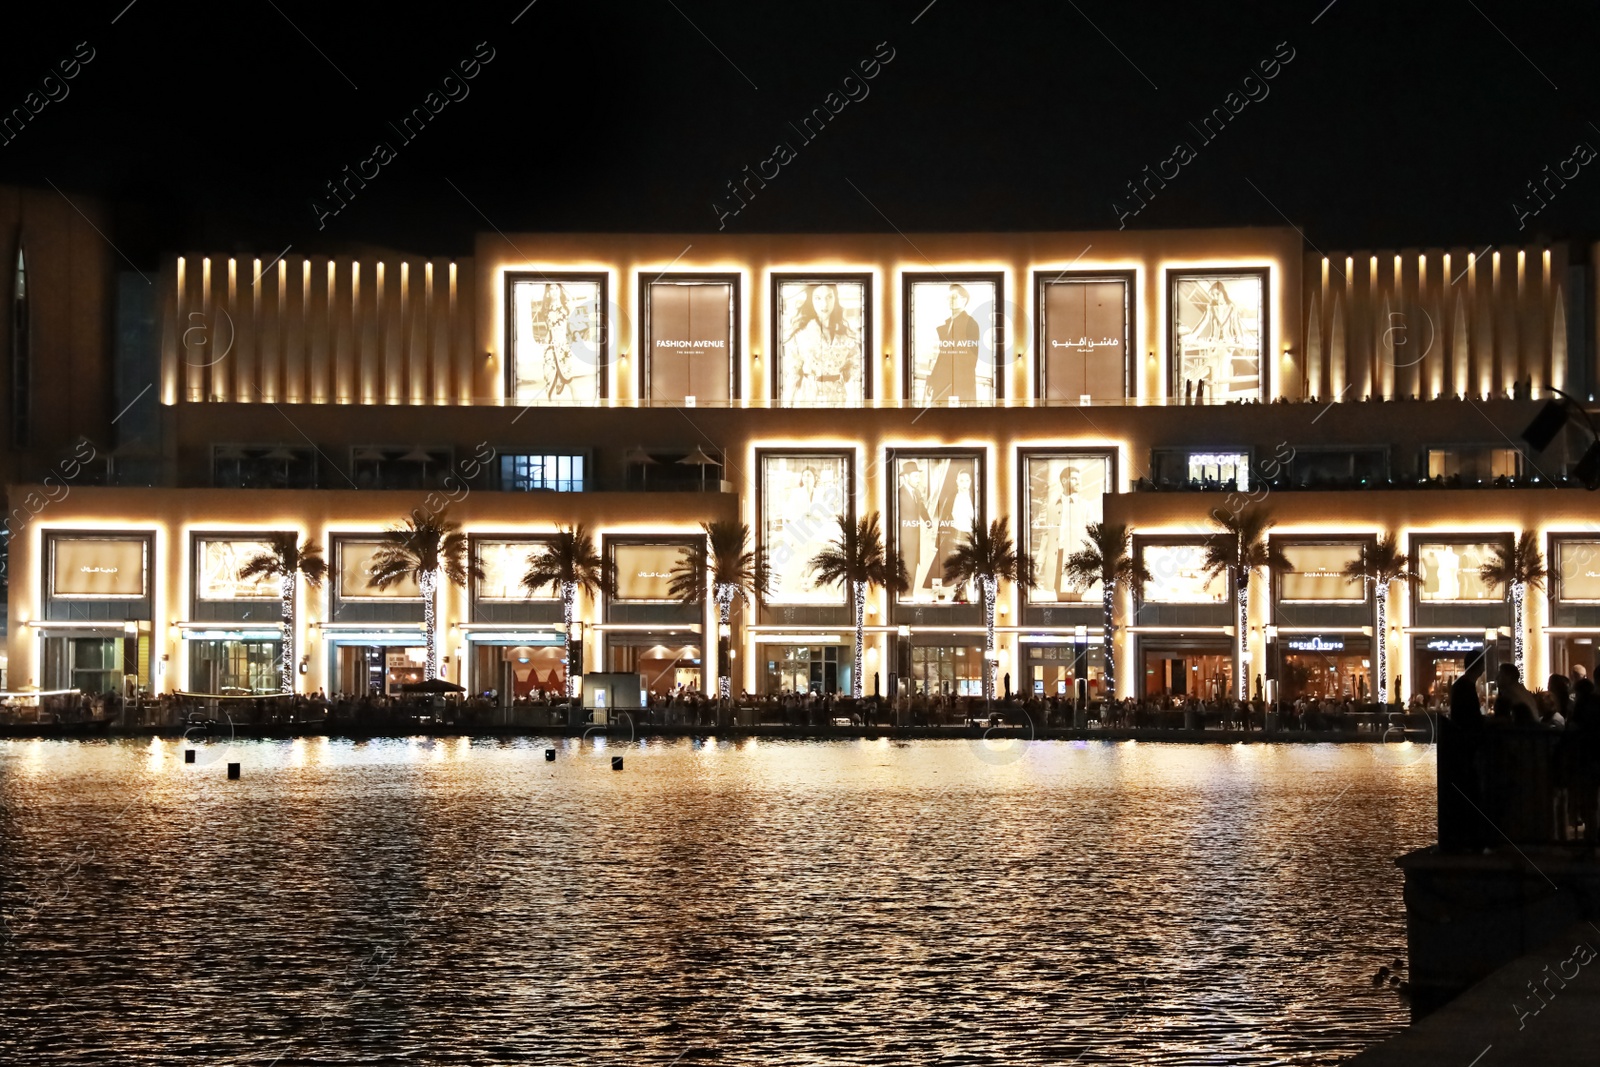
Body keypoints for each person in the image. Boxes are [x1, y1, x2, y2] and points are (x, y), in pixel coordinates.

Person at [926, 283, 981, 403]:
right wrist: (932, 380)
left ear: (964, 300)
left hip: (957, 387)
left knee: (956, 419)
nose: (949, 300)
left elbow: (971, 361)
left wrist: (956, 387)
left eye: (954, 297)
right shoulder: (949, 324)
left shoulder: (970, 324)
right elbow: (942, 355)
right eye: (948, 297)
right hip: (943, 383)